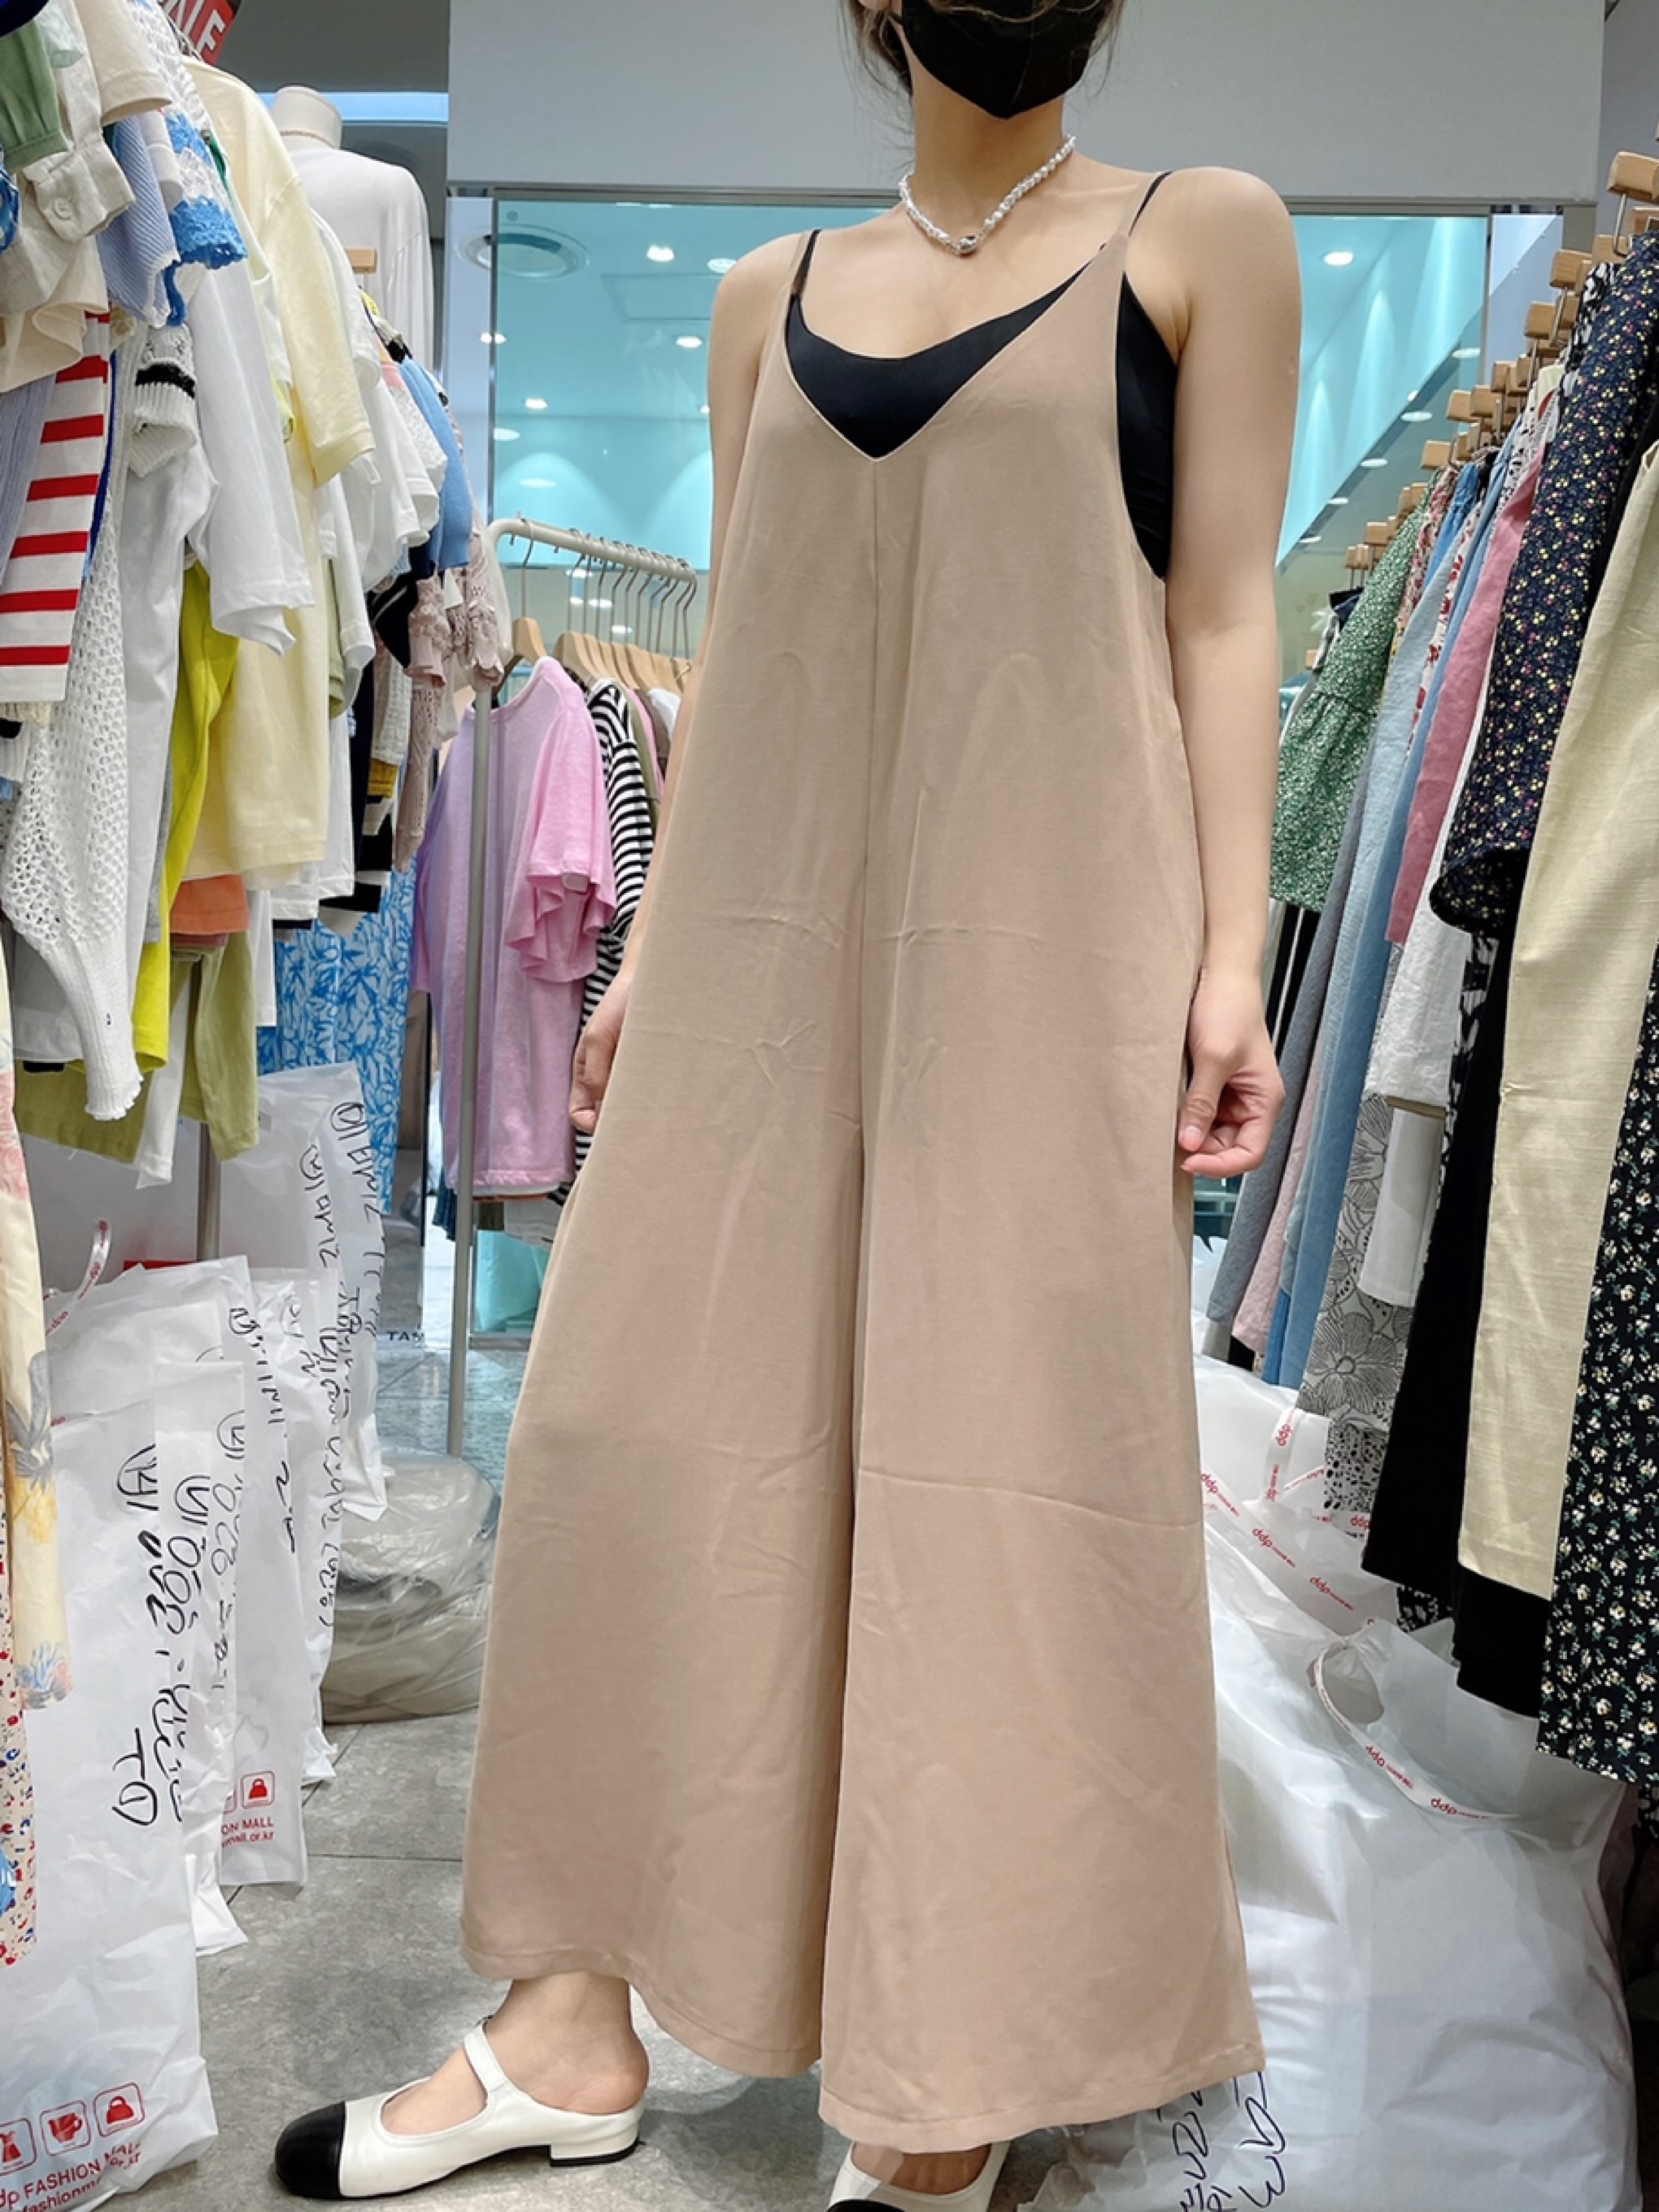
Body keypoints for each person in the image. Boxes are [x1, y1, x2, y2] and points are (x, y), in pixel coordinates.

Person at [276, 0, 1300, 2202]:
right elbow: (746, 654)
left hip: (1052, 951)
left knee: (996, 1477)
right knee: (631, 1428)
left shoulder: (1199, 238)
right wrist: (651, 953)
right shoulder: (774, 298)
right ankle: (573, 2016)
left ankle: (946, 2067)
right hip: (762, 948)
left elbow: (1227, 614)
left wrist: (1234, 958)